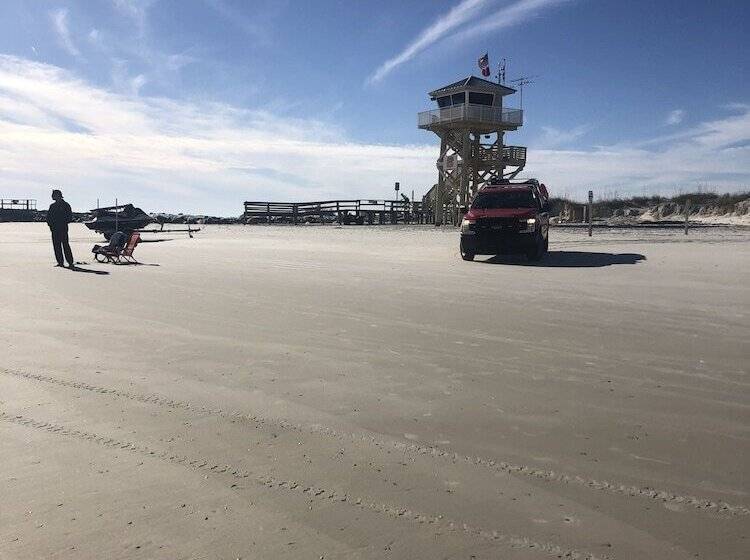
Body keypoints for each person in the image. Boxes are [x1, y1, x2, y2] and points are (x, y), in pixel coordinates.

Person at [46, 189, 74, 268]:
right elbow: (49, 217)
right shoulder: (52, 206)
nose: (52, 196)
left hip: (63, 228)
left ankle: (70, 262)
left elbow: (69, 217)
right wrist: (50, 225)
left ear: (58, 195)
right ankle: (60, 262)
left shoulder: (66, 205)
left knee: (65, 245)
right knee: (56, 245)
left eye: (53, 195)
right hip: (54, 229)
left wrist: (62, 222)